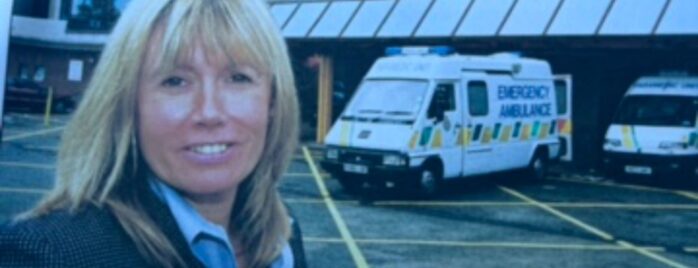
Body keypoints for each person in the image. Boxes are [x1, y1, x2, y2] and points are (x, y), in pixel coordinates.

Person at [0, 0, 305, 267]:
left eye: (239, 78)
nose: (209, 112)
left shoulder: (283, 234)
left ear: (274, 100)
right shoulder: (48, 255)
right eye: (175, 81)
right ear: (128, 105)